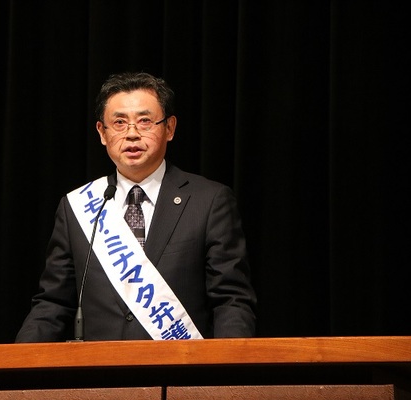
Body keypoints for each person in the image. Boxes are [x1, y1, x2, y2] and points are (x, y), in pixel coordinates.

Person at [15, 72, 256, 342]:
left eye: (144, 121)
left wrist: (229, 363)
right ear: (102, 133)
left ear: (170, 128)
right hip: (100, 366)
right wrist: (18, 361)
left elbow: (231, 300)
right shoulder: (78, 207)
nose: (131, 134)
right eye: (119, 123)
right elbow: (53, 303)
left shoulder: (209, 201)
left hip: (180, 365)